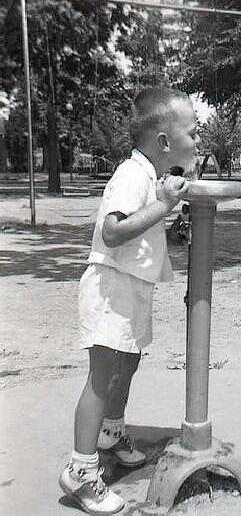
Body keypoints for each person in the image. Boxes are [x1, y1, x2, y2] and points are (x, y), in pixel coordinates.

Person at [59, 87, 199, 515]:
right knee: (102, 376)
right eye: (192, 132)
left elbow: (145, 229)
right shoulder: (130, 175)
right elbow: (113, 232)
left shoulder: (150, 177)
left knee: (129, 361)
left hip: (132, 287)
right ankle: (81, 471)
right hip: (111, 287)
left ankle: (111, 432)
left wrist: (168, 215)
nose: (197, 141)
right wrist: (163, 206)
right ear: (163, 142)